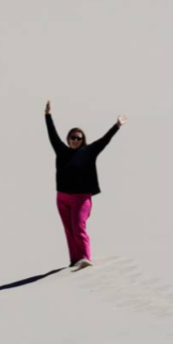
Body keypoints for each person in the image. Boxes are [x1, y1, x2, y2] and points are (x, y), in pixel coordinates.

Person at [44, 100, 126, 270]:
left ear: (82, 140)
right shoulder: (62, 151)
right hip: (62, 197)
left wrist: (116, 126)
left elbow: (104, 140)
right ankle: (75, 259)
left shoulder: (89, 151)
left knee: (78, 226)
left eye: (78, 138)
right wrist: (47, 115)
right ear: (68, 139)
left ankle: (85, 257)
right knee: (69, 229)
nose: (75, 140)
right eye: (73, 137)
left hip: (81, 198)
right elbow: (52, 135)